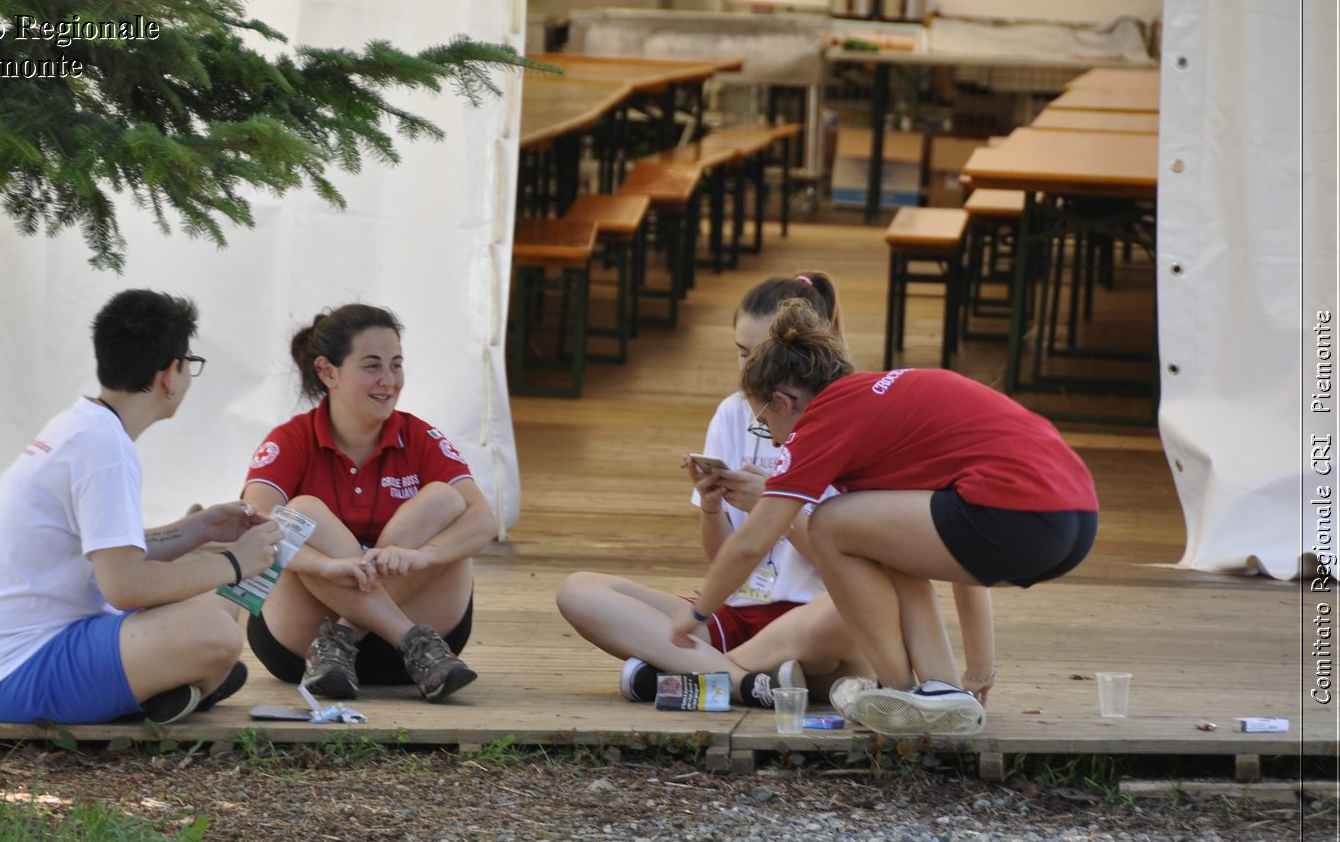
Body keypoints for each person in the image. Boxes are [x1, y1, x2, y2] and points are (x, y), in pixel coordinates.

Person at [670, 299, 1098, 736]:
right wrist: (979, 671)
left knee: (829, 523)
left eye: (765, 424)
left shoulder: (824, 419)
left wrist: (699, 613)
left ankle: (897, 688)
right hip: (1073, 522)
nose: (775, 439)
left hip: (1017, 515)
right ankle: (939, 692)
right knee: (881, 545)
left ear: (784, 401)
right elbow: (936, 554)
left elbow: (752, 541)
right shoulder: (882, 399)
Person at [0, 290, 285, 726]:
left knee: (219, 606)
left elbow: (110, 552)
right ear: (170, 374)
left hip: (19, 655)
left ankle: (170, 686)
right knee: (216, 632)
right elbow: (125, 586)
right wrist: (236, 564)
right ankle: (165, 686)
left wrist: (198, 529)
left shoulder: (82, 424)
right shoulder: (104, 449)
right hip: (12, 673)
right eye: (189, 365)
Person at [556, 272, 868, 707]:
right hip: (735, 611)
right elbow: (724, 559)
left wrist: (773, 507)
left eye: (759, 355)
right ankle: (742, 683)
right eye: (741, 354)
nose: (748, 371)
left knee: (842, 617)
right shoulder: (732, 412)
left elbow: (850, 569)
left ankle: (697, 674)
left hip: (810, 624)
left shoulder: (849, 420)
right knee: (579, 590)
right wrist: (710, 504)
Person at [241, 304, 497, 702]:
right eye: (372, 366)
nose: (389, 381)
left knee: (444, 500)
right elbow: (252, 524)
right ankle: (403, 637)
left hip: (413, 658)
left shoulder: (421, 436)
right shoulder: (290, 439)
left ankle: (344, 638)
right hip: (304, 647)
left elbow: (484, 521)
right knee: (302, 513)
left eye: (396, 365)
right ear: (328, 371)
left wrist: (424, 556)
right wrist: (325, 565)